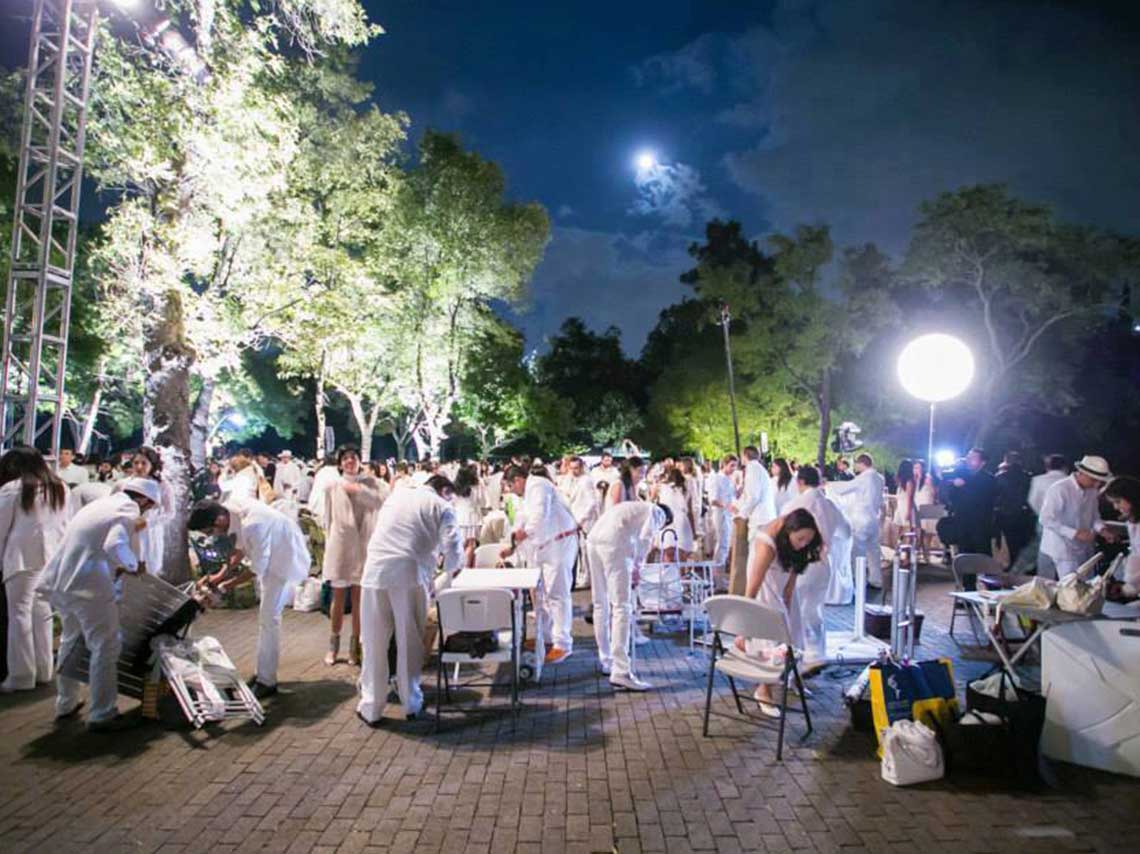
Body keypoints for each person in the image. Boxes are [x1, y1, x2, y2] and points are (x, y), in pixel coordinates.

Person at [38, 478, 161, 730]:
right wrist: (133, 565)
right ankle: (102, 713)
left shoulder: (99, 505)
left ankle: (66, 702)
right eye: (148, 506)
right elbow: (115, 544)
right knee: (106, 645)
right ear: (143, 500)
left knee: (70, 640)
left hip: (64, 581)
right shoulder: (127, 508)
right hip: (89, 587)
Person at [356, 475, 462, 724]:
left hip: (374, 572)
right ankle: (411, 703)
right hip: (410, 575)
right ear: (444, 490)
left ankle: (371, 706)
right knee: (408, 642)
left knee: (373, 642)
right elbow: (453, 549)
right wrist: (449, 572)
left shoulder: (398, 496)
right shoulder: (442, 506)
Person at [188, 498, 312, 698]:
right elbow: (240, 549)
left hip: (284, 562)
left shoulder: (253, 524)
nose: (213, 535)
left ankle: (267, 681)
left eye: (211, 531)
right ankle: (262, 673)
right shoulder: (233, 509)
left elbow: (256, 568)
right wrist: (220, 575)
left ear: (218, 520)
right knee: (266, 620)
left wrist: (224, 586)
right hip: (273, 558)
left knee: (269, 620)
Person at [737, 508, 824, 717]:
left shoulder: (798, 538)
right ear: (789, 531)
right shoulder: (767, 544)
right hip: (764, 587)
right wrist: (742, 626)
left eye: (807, 540)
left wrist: (789, 594)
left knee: (795, 632)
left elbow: (795, 567)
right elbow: (753, 586)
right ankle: (763, 689)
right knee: (772, 638)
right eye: (801, 538)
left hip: (781, 583)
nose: (803, 543)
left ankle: (792, 678)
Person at [0, 448, 70, 693]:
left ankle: (21, 676)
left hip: (21, 559)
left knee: (19, 615)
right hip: (51, 557)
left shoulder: (13, 489)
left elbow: (1, 530)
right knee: (42, 614)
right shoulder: (59, 486)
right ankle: (43, 670)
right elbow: (64, 523)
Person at [587, 500, 670, 691]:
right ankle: (621, 671)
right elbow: (646, 537)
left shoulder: (635, 507)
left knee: (600, 604)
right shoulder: (657, 512)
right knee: (622, 607)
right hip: (613, 543)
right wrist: (638, 567)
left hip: (594, 539)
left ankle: (607, 660)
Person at [501, 464, 578, 664]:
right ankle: (545, 636)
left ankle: (563, 644)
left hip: (559, 543)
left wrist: (521, 535)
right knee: (542, 594)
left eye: (510, 486)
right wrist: (512, 545)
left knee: (557, 594)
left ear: (518, 479)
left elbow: (538, 517)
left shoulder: (538, 485)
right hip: (545, 546)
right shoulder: (528, 494)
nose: (511, 491)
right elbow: (522, 520)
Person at [321, 445, 385, 666]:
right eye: (345, 458)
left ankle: (355, 646)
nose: (349, 461)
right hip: (340, 546)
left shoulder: (371, 484)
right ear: (340, 463)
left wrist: (358, 490)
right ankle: (333, 643)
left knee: (359, 598)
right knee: (338, 597)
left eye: (353, 457)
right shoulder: (332, 486)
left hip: (364, 545)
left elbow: (380, 503)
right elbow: (327, 519)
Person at [782, 466, 851, 664]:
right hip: (822, 563)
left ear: (800, 482)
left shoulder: (793, 505)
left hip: (800, 564)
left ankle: (798, 655)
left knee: (796, 609)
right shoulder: (829, 504)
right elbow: (846, 532)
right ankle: (817, 654)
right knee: (815, 609)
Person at [1038, 455, 1114, 579]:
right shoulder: (1059, 489)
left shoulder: (1092, 491)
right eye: (1094, 480)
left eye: (1099, 481)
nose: (1097, 484)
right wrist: (1074, 533)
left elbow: (1095, 516)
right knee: (1070, 588)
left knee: (1086, 586)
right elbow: (1045, 519)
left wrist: (1102, 530)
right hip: (1062, 548)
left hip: (1084, 548)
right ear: (1081, 473)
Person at [115, 447, 176, 578]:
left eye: (144, 463)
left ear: (152, 465)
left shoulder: (162, 485)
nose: (139, 467)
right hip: (128, 532)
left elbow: (170, 512)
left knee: (149, 570)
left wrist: (148, 522)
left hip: (150, 533)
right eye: (136, 463)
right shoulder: (123, 484)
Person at [826, 453, 886, 586]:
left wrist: (828, 484)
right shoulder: (879, 478)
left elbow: (845, 488)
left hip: (861, 518)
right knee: (874, 551)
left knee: (858, 551)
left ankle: (858, 580)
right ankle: (876, 580)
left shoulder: (864, 478)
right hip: (874, 518)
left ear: (861, 463)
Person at [943, 448, 997, 556]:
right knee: (964, 556)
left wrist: (964, 486)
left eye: (973, 458)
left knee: (981, 556)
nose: (968, 460)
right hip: (962, 523)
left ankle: (984, 573)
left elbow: (984, 498)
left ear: (982, 462)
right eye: (968, 457)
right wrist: (953, 486)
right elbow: (950, 497)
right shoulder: (961, 475)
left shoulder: (988, 479)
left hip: (980, 525)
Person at [994, 451, 1033, 567]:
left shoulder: (1000, 477)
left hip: (1005, 514)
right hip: (1024, 513)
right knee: (1023, 541)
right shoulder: (1028, 477)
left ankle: (1013, 564)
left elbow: (996, 496)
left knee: (1011, 542)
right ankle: (1024, 565)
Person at [1104, 476, 1140, 593]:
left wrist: (1128, 586)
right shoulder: (1132, 521)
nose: (1115, 507)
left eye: (1118, 502)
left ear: (1131, 497)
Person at [706, 455, 737, 570]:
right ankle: (718, 577)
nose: (733, 469)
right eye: (731, 465)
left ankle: (719, 573)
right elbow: (712, 499)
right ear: (724, 464)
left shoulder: (729, 479)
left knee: (726, 544)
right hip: (720, 514)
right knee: (722, 544)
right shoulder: (717, 478)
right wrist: (726, 506)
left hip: (728, 515)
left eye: (735, 466)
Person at [657, 467, 694, 561]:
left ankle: (667, 573)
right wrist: (693, 529)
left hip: (667, 519)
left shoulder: (662, 487)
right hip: (682, 519)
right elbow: (690, 510)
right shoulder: (685, 489)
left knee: (667, 549)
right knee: (682, 551)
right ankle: (681, 574)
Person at [452, 465, 483, 567]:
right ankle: (465, 568)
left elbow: (452, 502)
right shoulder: (476, 486)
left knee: (460, 545)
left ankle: (457, 567)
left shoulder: (455, 488)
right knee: (470, 545)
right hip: (472, 518)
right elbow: (482, 501)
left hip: (458, 517)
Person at [306, 454, 340, 522]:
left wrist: (310, 507)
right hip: (330, 508)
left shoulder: (321, 472)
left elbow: (315, 491)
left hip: (319, 507)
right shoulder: (336, 474)